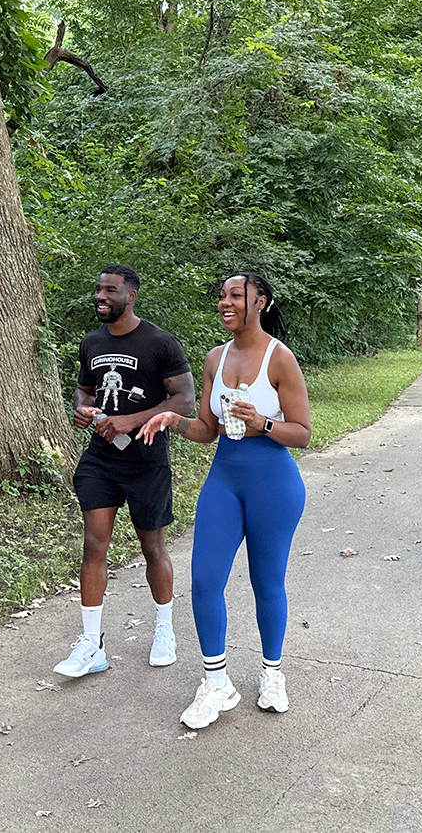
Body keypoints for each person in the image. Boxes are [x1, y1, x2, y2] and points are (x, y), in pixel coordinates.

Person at [138, 272, 310, 729]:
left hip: (274, 484)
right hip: (224, 480)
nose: (225, 303)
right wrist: (172, 419)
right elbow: (207, 430)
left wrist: (263, 424)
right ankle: (216, 684)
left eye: (236, 295)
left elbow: (302, 433)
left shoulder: (280, 358)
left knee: (266, 582)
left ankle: (272, 673)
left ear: (261, 302)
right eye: (222, 296)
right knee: (204, 580)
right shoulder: (215, 358)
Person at [54, 265, 196, 678]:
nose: (101, 296)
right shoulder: (92, 342)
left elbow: (185, 400)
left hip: (147, 460)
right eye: (98, 289)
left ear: (130, 296)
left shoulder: (159, 342)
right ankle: (92, 645)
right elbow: (84, 389)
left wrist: (130, 421)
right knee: (93, 546)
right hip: (101, 459)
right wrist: (83, 409)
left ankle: (165, 630)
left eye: (110, 291)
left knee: (153, 548)